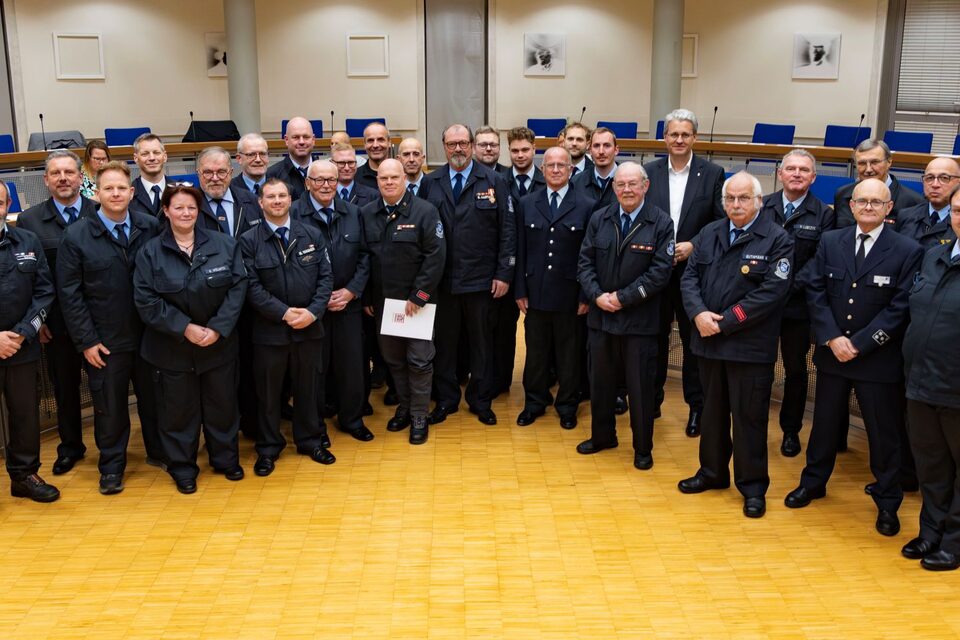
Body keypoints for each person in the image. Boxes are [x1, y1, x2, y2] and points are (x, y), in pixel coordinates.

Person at [785, 178, 923, 537]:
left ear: (889, 209)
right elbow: (815, 291)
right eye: (861, 201)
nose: (868, 207)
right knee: (824, 426)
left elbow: (900, 306)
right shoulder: (831, 242)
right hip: (833, 355)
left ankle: (888, 502)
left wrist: (860, 343)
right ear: (850, 206)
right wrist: (832, 337)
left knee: (884, 435)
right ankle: (813, 483)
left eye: (876, 203)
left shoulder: (907, 250)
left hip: (876, 359)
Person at [678, 171, 793, 519]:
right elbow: (689, 279)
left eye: (744, 198)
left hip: (748, 347)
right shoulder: (710, 233)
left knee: (749, 420)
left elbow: (772, 292)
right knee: (712, 414)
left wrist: (724, 322)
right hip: (708, 344)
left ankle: (753, 486)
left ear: (759, 201)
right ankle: (712, 473)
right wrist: (698, 314)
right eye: (730, 198)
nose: (736, 204)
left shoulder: (777, 239)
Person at [55, 161, 162, 494]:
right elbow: (69, 295)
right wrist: (86, 341)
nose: (115, 194)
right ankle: (112, 467)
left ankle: (160, 453)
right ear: (96, 194)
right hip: (104, 341)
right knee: (110, 408)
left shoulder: (150, 226)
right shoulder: (76, 236)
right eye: (108, 188)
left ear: (131, 193)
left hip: (149, 336)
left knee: (156, 401)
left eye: (121, 188)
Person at [133, 184, 248, 494]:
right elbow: (145, 300)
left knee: (222, 407)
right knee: (178, 412)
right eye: (179, 208)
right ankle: (182, 467)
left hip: (217, 345)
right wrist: (185, 327)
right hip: (172, 349)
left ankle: (225, 459)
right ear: (167, 212)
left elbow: (238, 288)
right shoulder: (150, 251)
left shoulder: (225, 245)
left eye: (191, 208)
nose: (185, 213)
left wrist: (217, 328)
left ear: (200, 212)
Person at [577, 162, 674, 468]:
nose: (627, 190)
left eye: (633, 184)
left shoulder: (661, 223)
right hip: (601, 318)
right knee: (600, 384)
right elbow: (585, 263)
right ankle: (603, 436)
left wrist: (621, 298)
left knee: (640, 389)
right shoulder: (599, 218)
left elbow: (659, 274)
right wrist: (597, 296)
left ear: (646, 186)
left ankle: (643, 448)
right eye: (621, 185)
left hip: (639, 323)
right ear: (614, 188)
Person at [240, 178, 336, 475]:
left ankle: (309, 441)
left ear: (290, 200)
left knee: (308, 389)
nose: (277, 201)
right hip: (269, 333)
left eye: (282, 195)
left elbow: (326, 279)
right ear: (261, 202)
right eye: (271, 196)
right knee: (268, 394)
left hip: (309, 329)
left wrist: (313, 312)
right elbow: (251, 287)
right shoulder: (248, 240)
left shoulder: (311, 234)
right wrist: (283, 313)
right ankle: (268, 448)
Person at [422, 124, 514, 426]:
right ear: (443, 147)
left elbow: (507, 230)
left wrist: (504, 273)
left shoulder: (494, 180)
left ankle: (480, 400)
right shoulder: (430, 182)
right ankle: (447, 399)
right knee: (445, 346)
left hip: (481, 281)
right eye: (452, 144)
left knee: (481, 346)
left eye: (463, 143)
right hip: (444, 282)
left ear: (472, 145)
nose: (458, 149)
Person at [16, 150, 98, 475]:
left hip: (98, 321)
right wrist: (40, 321)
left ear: (81, 177)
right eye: (56, 173)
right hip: (57, 323)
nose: (63, 178)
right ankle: (71, 447)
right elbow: (31, 278)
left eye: (69, 172)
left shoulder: (100, 211)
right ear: (46, 180)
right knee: (65, 388)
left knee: (102, 388)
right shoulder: (30, 220)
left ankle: (110, 449)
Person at [644, 108, 725, 437]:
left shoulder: (713, 173)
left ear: (695, 138)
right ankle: (652, 401)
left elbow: (720, 223)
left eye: (685, 134)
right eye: (673, 134)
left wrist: (695, 245)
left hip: (694, 273)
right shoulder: (648, 171)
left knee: (694, 344)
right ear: (664, 138)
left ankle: (696, 408)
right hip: (655, 271)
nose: (679, 140)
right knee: (654, 338)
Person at [361, 159, 445, 444]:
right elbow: (366, 261)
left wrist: (419, 296)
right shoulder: (367, 214)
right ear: (377, 181)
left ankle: (420, 415)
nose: (388, 182)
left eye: (394, 177)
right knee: (394, 361)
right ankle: (406, 407)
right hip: (384, 305)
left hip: (416, 305)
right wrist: (369, 298)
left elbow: (435, 258)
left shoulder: (425, 212)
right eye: (383, 178)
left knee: (419, 361)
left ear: (404, 180)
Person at [759, 149, 835, 456]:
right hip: (761, 307)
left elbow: (818, 262)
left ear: (813, 177)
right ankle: (753, 427)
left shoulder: (825, 215)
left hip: (797, 307)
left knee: (795, 370)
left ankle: (791, 430)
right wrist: (767, 291)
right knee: (759, 368)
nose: (797, 174)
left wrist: (784, 288)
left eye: (804, 170)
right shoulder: (762, 206)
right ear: (780, 173)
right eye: (791, 168)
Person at [292, 159, 373, 443]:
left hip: (348, 305)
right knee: (314, 370)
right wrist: (319, 299)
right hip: (313, 309)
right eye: (319, 180)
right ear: (307, 183)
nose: (326, 185)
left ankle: (352, 419)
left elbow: (365, 256)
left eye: (331, 180)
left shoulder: (353, 213)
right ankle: (316, 427)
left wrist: (352, 291)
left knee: (352, 366)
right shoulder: (294, 215)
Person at [901, 187, 960, 571]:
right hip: (921, 383)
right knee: (931, 464)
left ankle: (954, 543)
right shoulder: (935, 255)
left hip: (957, 388)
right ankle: (930, 531)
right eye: (957, 209)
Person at [515, 147, 595, 428]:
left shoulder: (586, 204)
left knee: (569, 355)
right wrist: (520, 290)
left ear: (571, 170)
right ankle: (534, 402)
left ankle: (567, 405)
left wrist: (587, 294)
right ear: (543, 169)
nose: (557, 170)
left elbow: (590, 256)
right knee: (535, 354)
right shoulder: (527, 202)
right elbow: (521, 250)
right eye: (551, 165)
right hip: (535, 292)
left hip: (570, 295)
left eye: (562, 165)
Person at [0, 181, 60, 503]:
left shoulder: (28, 240)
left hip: (21, 346)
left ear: (7, 205)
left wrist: (23, 332)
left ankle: (24, 476)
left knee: (25, 413)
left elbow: (44, 292)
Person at [492, 126, 545, 397]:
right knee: (502, 330)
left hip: (538, 267)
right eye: (514, 150)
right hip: (507, 268)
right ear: (507, 151)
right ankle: (501, 382)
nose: (520, 155)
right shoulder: (497, 180)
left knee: (539, 332)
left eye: (525, 150)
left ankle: (543, 383)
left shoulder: (547, 179)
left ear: (534, 149)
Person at [834, 139, 924, 228]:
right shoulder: (842, 195)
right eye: (862, 163)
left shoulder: (913, 202)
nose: (868, 169)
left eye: (874, 162)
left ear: (889, 162)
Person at [195, 146, 263, 237]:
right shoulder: (189, 205)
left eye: (221, 172)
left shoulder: (252, 201)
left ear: (231, 173)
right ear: (198, 174)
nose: (215, 178)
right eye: (208, 172)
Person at [893, 157, 959, 248]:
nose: (935, 185)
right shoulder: (906, 216)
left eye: (944, 178)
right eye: (930, 178)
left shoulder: (957, 221)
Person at [265, 116, 315, 201]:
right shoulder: (272, 175)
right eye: (296, 137)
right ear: (286, 140)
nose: (301, 142)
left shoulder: (326, 171)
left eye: (306, 137)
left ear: (313, 140)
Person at [571, 127, 619, 212]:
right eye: (596, 146)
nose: (601, 151)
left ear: (616, 150)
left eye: (607, 145)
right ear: (590, 150)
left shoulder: (628, 180)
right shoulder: (576, 182)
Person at [128, 133, 171, 218]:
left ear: (165, 156)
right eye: (145, 154)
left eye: (156, 153)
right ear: (136, 158)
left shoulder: (180, 190)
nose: (152, 158)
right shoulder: (127, 194)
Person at [332, 142, 379, 207]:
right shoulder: (325, 195)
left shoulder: (372, 196)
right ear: (332, 164)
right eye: (341, 163)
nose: (347, 168)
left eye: (351, 162)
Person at [355, 122, 392, 189]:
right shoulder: (355, 178)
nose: (375, 145)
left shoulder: (401, 175)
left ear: (389, 142)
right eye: (370, 140)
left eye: (380, 140)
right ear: (364, 144)